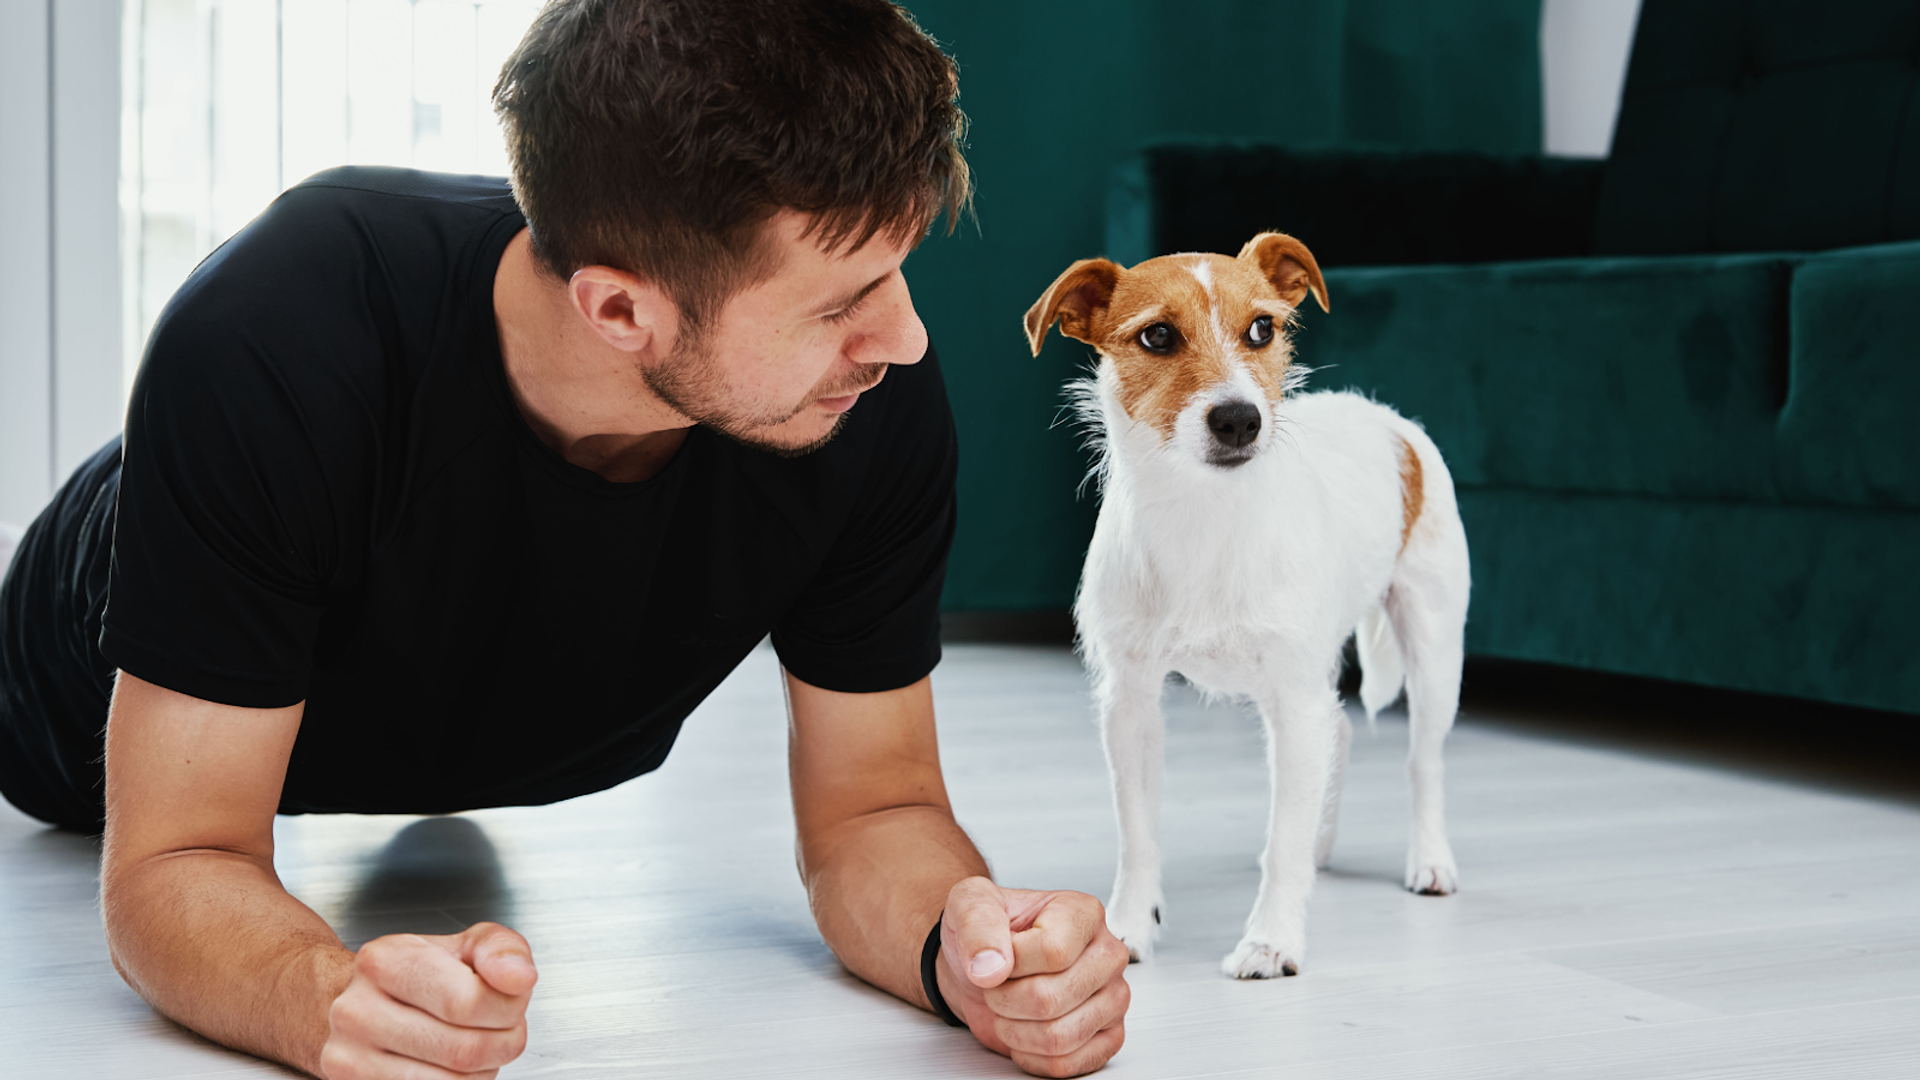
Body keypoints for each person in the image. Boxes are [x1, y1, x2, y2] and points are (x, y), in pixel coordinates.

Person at [0, 1, 1131, 1077]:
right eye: (840, 303)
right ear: (619, 310)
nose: (906, 338)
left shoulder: (856, 400)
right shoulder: (277, 342)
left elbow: (875, 811)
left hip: (464, 713)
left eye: (898, 270)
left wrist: (966, 951)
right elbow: (176, 859)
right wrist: (317, 995)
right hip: (75, 676)